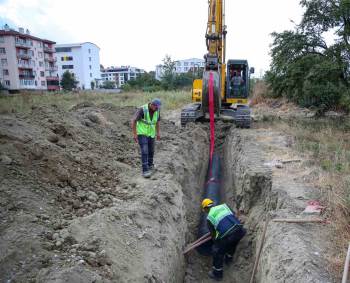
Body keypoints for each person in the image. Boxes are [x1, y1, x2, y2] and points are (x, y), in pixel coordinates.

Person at [201, 198, 246, 281]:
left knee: (217, 251)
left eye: (205, 210)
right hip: (240, 231)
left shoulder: (209, 218)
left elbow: (214, 236)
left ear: (206, 208)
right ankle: (228, 260)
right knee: (232, 243)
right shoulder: (224, 206)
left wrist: (218, 246)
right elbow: (234, 215)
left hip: (229, 235)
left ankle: (217, 274)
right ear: (212, 204)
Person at [131, 98, 161, 178]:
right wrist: (134, 134)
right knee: (145, 150)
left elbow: (157, 122)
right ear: (152, 105)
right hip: (142, 132)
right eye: (156, 107)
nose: (157, 109)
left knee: (151, 150)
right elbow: (134, 121)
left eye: (158, 107)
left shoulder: (157, 110)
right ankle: (145, 170)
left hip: (151, 133)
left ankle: (150, 165)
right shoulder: (142, 110)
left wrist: (158, 133)